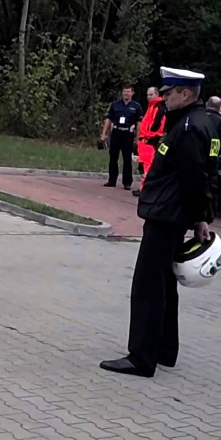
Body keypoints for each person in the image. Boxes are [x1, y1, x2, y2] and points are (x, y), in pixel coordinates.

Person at [100, 67, 219, 378]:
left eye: (169, 93)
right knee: (165, 284)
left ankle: (141, 357)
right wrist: (198, 216)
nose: (163, 98)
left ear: (186, 94)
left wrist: (200, 219)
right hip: (172, 213)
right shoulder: (194, 122)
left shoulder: (191, 128)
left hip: (167, 215)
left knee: (148, 287)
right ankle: (165, 350)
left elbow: (195, 178)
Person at [100, 84, 144, 190]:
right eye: (124, 91)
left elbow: (139, 123)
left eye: (128, 91)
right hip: (116, 132)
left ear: (132, 93)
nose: (126, 94)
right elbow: (109, 119)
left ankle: (127, 182)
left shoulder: (136, 106)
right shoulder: (115, 105)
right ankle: (112, 180)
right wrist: (104, 134)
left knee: (127, 158)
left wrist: (138, 138)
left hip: (128, 134)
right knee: (113, 156)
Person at [133, 87, 167, 197]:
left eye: (151, 94)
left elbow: (156, 124)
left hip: (149, 140)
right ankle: (143, 188)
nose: (149, 97)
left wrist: (148, 136)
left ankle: (147, 189)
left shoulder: (158, 107)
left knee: (147, 166)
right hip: (145, 140)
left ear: (157, 94)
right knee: (143, 166)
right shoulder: (152, 107)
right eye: (148, 95)